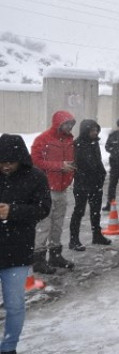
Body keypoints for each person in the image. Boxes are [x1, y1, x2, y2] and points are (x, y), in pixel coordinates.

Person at [0, 134, 51, 354]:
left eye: (10, 162)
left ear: (20, 158)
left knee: (14, 304)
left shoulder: (35, 177)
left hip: (17, 251)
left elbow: (43, 209)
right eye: (2, 162)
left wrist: (13, 211)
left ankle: (9, 347)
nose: (6, 166)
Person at [31, 110, 77, 273]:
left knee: (58, 223)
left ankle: (55, 255)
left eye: (71, 124)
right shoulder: (43, 139)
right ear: (58, 123)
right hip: (46, 189)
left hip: (62, 188)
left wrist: (70, 170)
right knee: (44, 224)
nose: (70, 127)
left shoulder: (69, 140)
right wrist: (59, 166)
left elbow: (71, 160)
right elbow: (35, 161)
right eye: (67, 124)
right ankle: (38, 259)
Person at [69, 119, 112, 251]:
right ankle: (74, 239)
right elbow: (80, 164)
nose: (94, 132)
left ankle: (97, 235)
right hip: (82, 184)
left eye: (96, 130)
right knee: (79, 211)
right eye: (92, 130)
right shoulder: (77, 144)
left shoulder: (94, 143)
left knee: (95, 211)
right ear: (85, 130)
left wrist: (101, 174)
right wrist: (88, 174)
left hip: (95, 183)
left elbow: (97, 161)